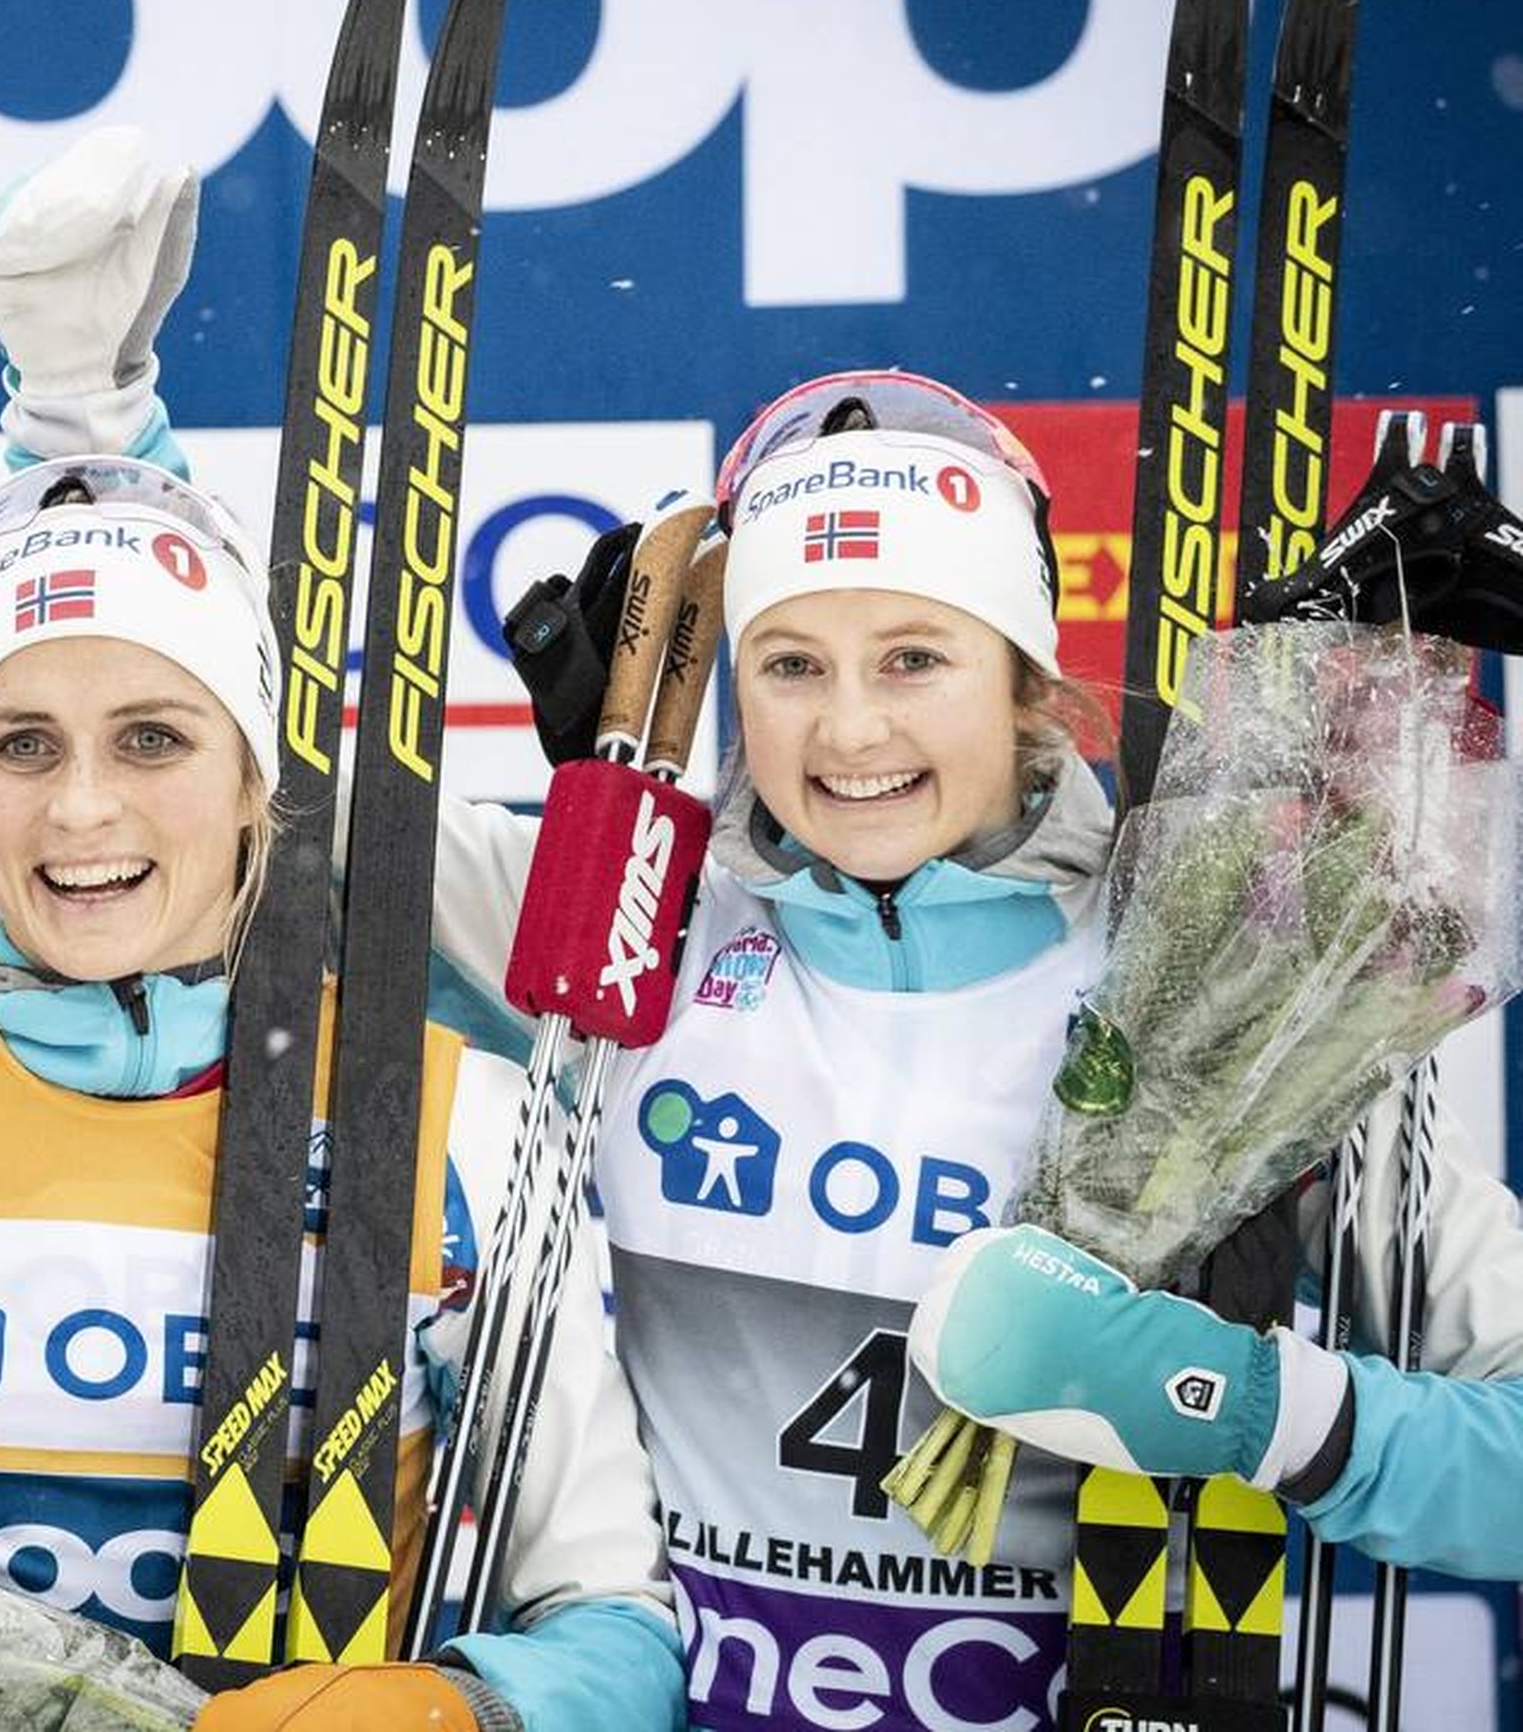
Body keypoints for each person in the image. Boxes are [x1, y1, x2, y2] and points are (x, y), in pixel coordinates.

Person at [0, 135, 687, 1732]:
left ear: (253, 784)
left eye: (154, 738)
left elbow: (615, 1627)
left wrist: (465, 1714)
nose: (81, 810)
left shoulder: (450, 1120)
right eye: (20, 746)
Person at [426, 370, 1523, 1729]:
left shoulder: (1236, 986)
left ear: (1028, 682)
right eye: (791, 664)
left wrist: (1247, 1405)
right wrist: (112, 451)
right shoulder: (630, 923)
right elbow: (207, 834)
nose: (849, 728)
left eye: (914, 656)